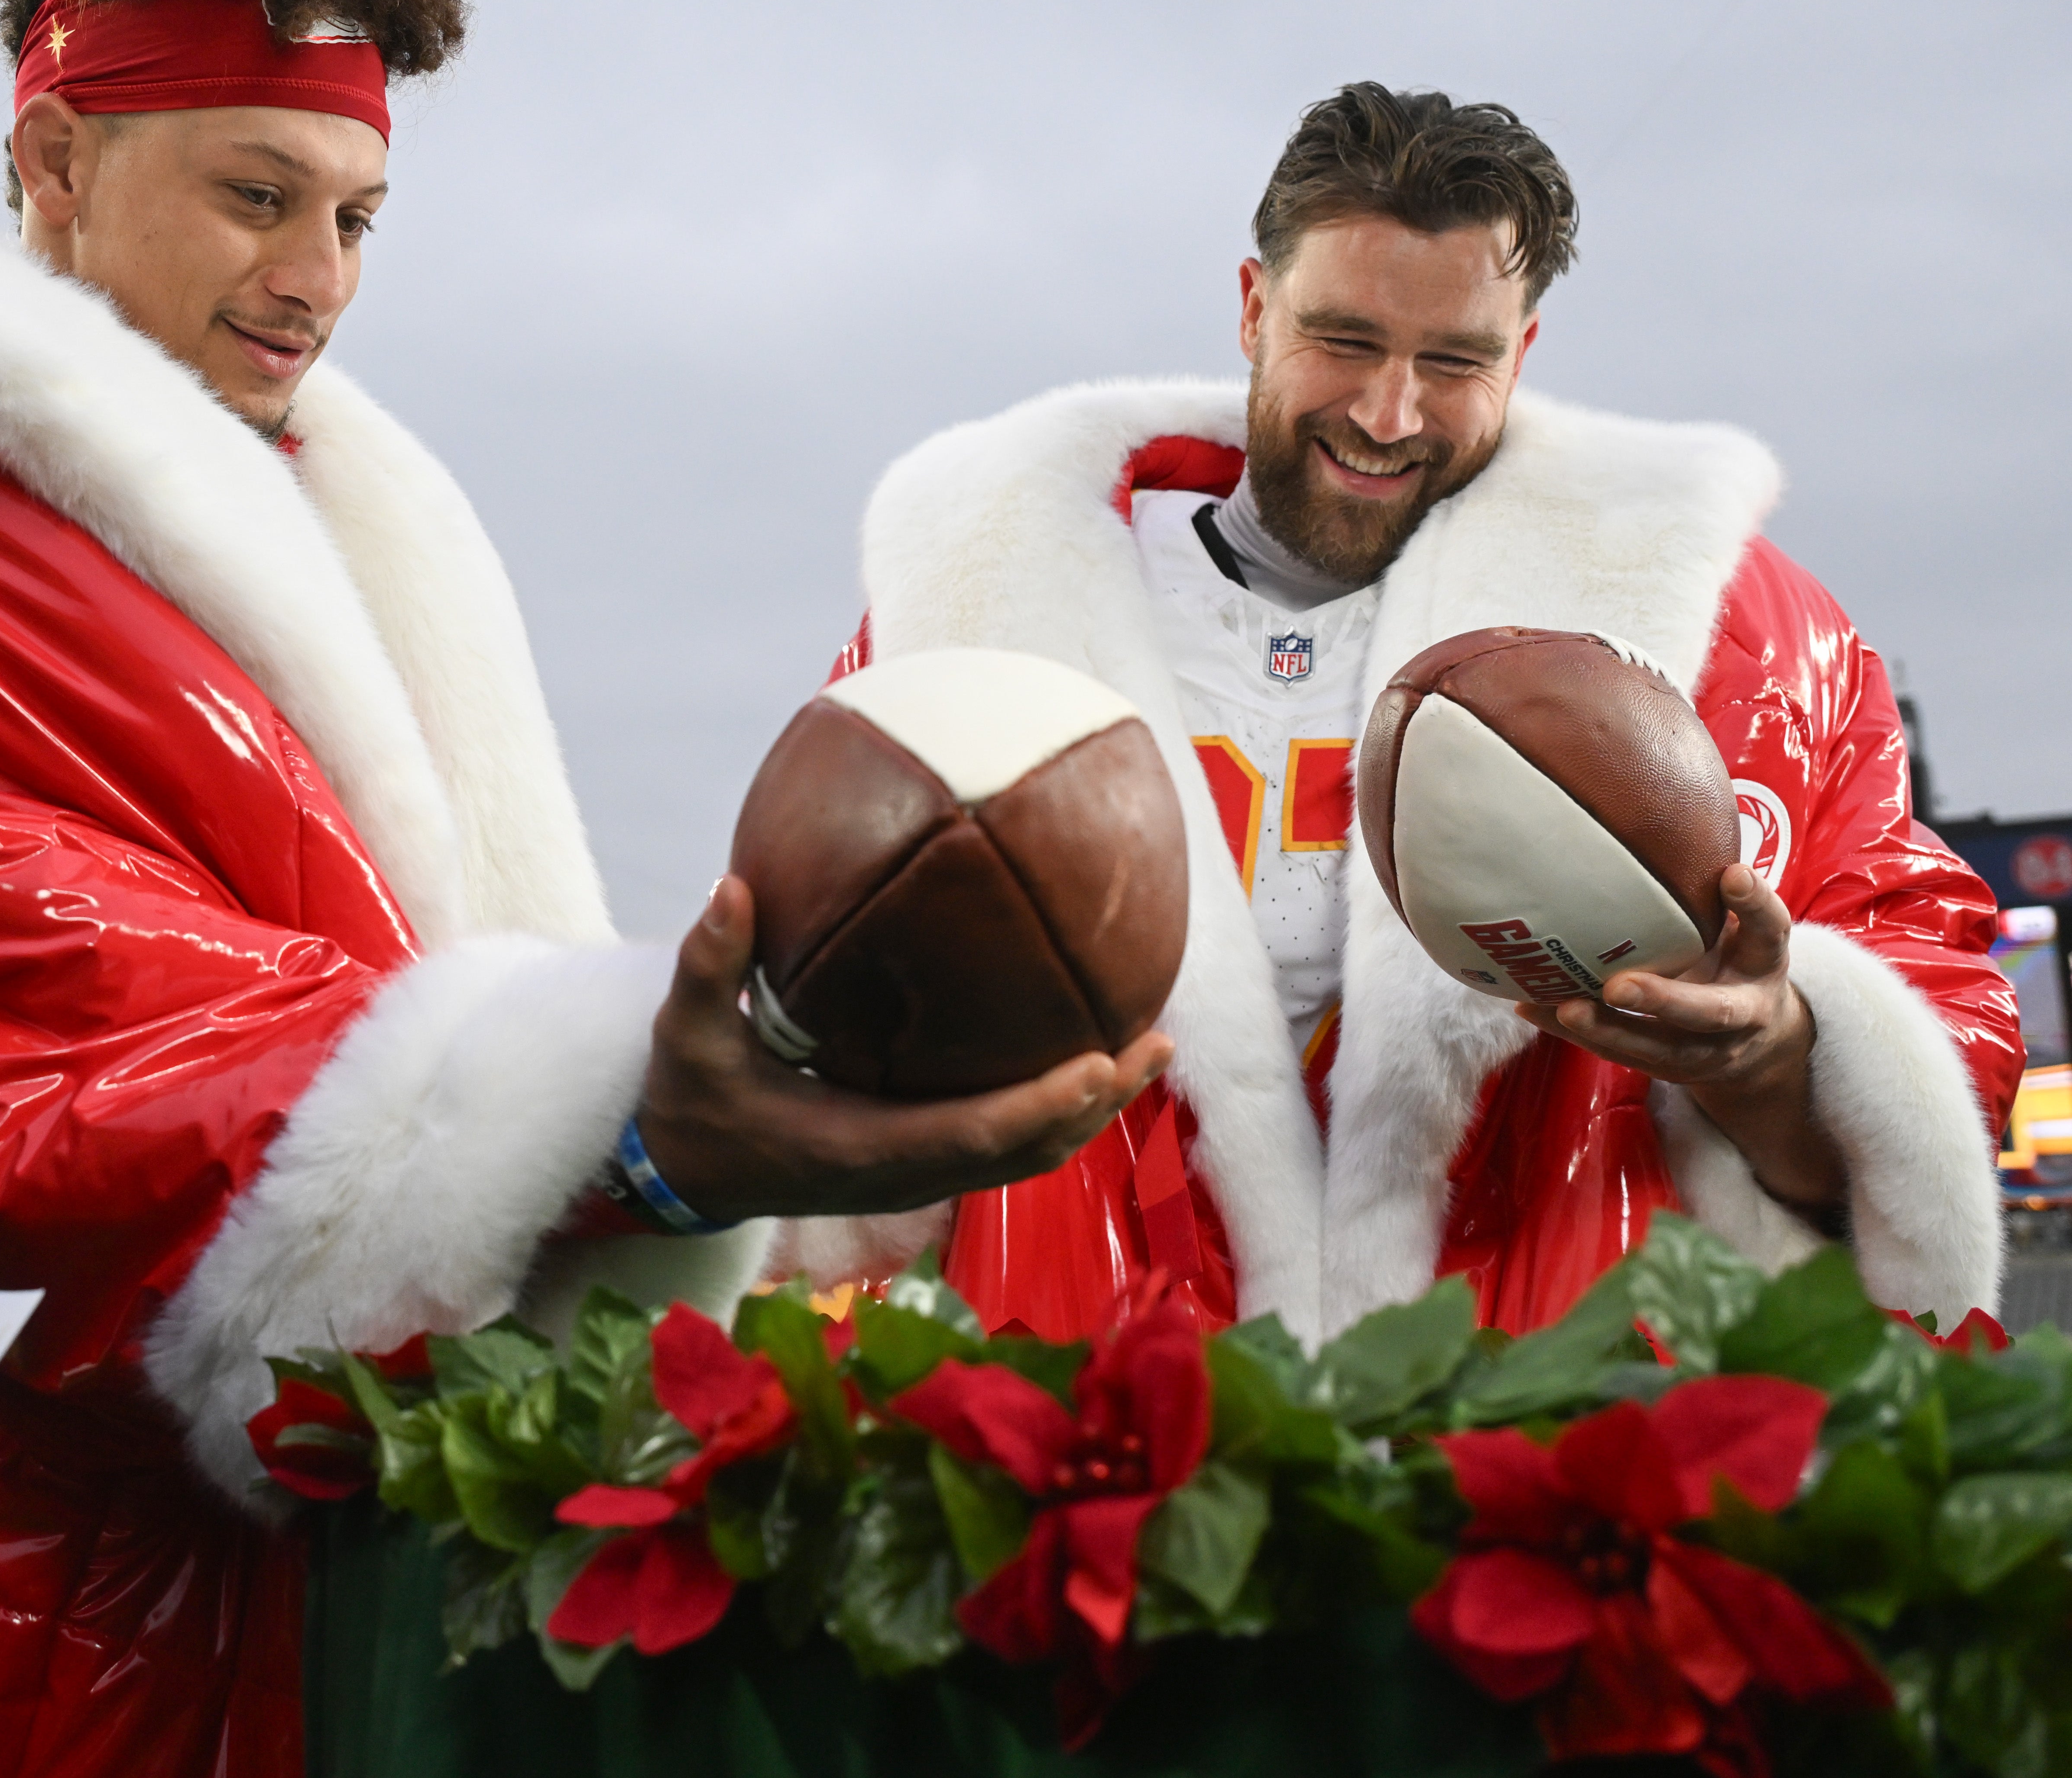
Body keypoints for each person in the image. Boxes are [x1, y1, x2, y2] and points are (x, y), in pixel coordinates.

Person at [0, 0, 1162, 1777]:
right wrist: (633, 1129)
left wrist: (701, 1118)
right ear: (55, 160)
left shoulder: (331, 518)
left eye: (356, 217)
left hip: (201, 1614)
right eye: (258, 197)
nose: (314, 279)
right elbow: (26, 1063)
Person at [813, 82, 2021, 1345]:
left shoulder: (1736, 639)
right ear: (1252, 308)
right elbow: (827, 1091)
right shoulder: (975, 612)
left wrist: (1772, 1057)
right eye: (1344, 340)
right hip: (1088, 1418)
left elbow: (1935, 1046)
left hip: (1550, 1428)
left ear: (1523, 353)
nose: (1388, 415)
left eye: (1454, 361)